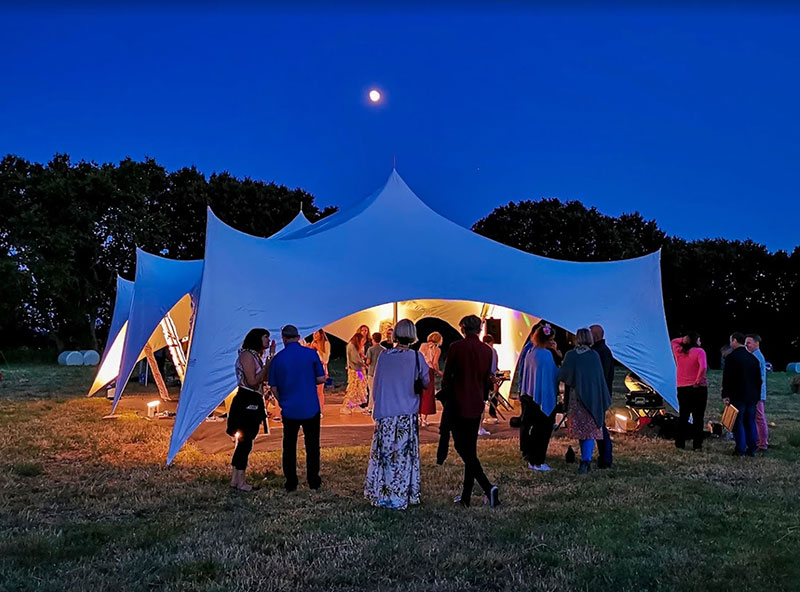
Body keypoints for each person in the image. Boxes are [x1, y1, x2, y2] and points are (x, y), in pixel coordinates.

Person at [364, 319, 430, 509]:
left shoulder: (385, 356)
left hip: (386, 412)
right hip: (406, 413)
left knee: (384, 455)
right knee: (403, 456)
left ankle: (381, 492)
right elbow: (425, 381)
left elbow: (376, 385)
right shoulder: (417, 357)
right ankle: (402, 494)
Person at [442, 315, 500, 508]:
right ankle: (466, 497)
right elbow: (486, 378)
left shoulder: (456, 347)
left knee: (462, 447)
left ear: (463, 329)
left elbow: (448, 375)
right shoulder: (487, 351)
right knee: (471, 449)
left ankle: (487, 486)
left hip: (458, 402)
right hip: (476, 402)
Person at [268, 324, 326, 492]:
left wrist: (283, 400)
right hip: (310, 407)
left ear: (283, 338)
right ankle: (313, 480)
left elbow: (274, 387)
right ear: (298, 337)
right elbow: (321, 378)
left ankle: (291, 482)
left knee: (289, 446)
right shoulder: (311, 354)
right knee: (313, 445)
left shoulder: (278, 359)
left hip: (290, 409)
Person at [227, 328, 276, 491]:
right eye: (265, 338)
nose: (268, 341)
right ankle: (240, 480)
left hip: (254, 398)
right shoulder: (247, 356)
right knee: (245, 441)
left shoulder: (255, 356)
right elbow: (253, 380)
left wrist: (270, 361)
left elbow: (263, 378)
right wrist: (268, 363)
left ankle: (236, 479)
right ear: (257, 339)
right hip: (246, 399)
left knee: (246, 441)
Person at [558, 328, 611, 474]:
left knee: (583, 431)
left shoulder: (571, 355)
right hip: (593, 398)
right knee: (589, 430)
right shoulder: (594, 355)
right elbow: (599, 379)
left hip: (577, 399)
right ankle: (586, 459)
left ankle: (586, 460)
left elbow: (564, 375)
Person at [520, 324, 559, 471]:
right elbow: (554, 375)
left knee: (534, 429)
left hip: (530, 396)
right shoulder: (545, 355)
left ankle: (531, 457)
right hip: (543, 396)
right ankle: (538, 460)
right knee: (542, 431)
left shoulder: (531, 351)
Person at [722, 332, 762, 456]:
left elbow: (728, 378)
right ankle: (752, 448)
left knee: (737, 422)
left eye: (731, 341)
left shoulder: (732, 358)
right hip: (751, 396)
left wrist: (725, 394)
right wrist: (757, 395)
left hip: (737, 395)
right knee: (750, 422)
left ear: (734, 340)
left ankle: (740, 448)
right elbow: (758, 379)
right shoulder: (753, 358)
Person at [671, 332, 708, 450]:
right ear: (695, 341)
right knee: (698, 417)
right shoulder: (700, 352)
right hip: (698, 388)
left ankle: (680, 443)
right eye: (699, 340)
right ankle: (697, 445)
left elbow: (673, 341)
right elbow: (703, 367)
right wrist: (697, 380)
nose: (700, 342)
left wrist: (683, 339)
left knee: (683, 415)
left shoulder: (679, 352)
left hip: (682, 387)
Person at [589, 324, 615, 468]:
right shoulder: (602, 351)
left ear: (596, 336)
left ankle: (606, 457)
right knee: (598, 425)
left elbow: (601, 376)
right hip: (601, 394)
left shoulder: (600, 353)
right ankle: (604, 456)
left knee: (599, 426)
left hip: (599, 395)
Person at [745, 334, 768, 451]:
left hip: (757, 392)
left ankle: (762, 443)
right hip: (756, 391)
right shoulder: (755, 356)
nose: (746, 345)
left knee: (759, 417)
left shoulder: (756, 357)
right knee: (756, 417)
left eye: (749, 342)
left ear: (756, 343)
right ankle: (759, 440)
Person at [418, 331, 443, 427]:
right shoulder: (437, 350)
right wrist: (439, 372)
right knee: (428, 394)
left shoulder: (423, 345)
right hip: (429, 371)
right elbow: (435, 363)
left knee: (419, 393)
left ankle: (419, 416)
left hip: (420, 370)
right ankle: (424, 419)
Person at [342, 331, 368, 414]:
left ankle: (355, 405)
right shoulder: (352, 346)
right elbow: (355, 359)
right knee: (353, 388)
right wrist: (364, 364)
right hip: (355, 371)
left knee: (359, 387)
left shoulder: (353, 346)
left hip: (358, 371)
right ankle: (346, 406)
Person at [481, 334, 500, 430]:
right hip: (488, 378)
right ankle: (493, 415)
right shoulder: (492, 351)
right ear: (491, 342)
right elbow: (493, 367)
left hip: (480, 378)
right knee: (493, 395)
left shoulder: (479, 349)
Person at [310, 329, 330, 416]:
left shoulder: (326, 344)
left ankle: (320, 410)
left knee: (319, 391)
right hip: (312, 368)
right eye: (313, 333)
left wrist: (318, 347)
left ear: (321, 334)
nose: (314, 334)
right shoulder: (312, 343)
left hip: (321, 368)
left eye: (316, 333)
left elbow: (325, 359)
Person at [366, 332, 385, 413]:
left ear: (373, 339)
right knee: (380, 391)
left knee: (371, 390)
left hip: (372, 372)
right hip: (381, 373)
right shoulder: (384, 349)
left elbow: (368, 361)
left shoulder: (370, 349)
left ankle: (370, 407)